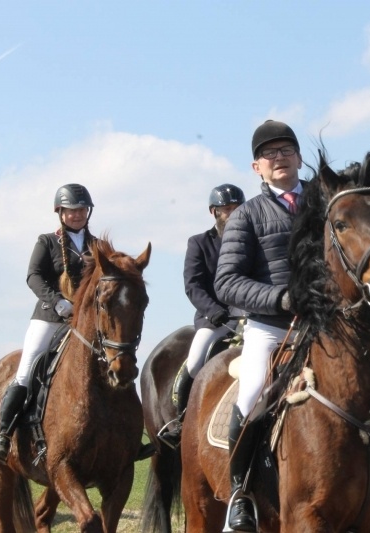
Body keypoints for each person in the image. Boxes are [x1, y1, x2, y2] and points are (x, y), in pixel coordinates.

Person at [213, 120, 303, 532]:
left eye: (285, 150)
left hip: (328, 324)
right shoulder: (246, 215)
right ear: (256, 167)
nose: (278, 158)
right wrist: (279, 298)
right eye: (269, 154)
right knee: (250, 397)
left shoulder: (328, 203)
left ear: (298, 157)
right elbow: (227, 282)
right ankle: (242, 493)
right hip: (271, 326)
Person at [0, 183, 96, 465]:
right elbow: (33, 276)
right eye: (71, 210)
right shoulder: (47, 241)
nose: (77, 214)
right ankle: (4, 435)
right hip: (51, 317)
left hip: (86, 321)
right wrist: (57, 301)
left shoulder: (98, 246)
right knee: (26, 370)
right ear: (60, 213)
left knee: (112, 365)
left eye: (82, 209)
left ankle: (127, 438)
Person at [157, 183, 246, 449]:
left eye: (236, 208)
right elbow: (193, 285)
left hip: (251, 315)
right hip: (216, 318)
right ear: (213, 212)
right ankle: (181, 420)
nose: (231, 214)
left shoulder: (252, 240)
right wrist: (214, 311)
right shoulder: (199, 243)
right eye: (225, 209)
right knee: (196, 361)